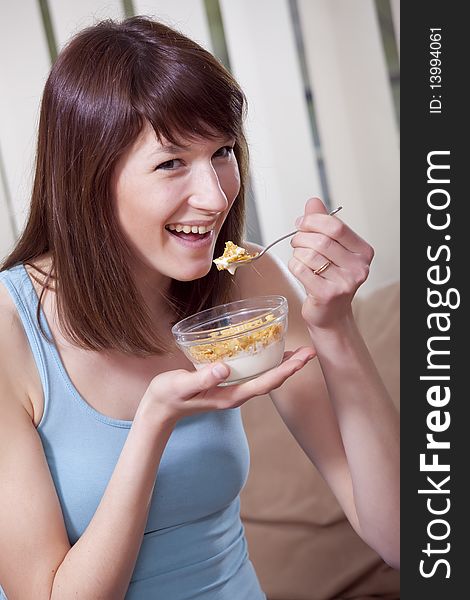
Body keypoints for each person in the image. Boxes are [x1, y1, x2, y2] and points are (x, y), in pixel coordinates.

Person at [0, 16, 399, 600]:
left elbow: (402, 537)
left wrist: (335, 326)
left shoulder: (241, 275)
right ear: (88, 178)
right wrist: (153, 422)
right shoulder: (10, 330)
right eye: (171, 163)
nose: (216, 196)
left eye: (222, 153)